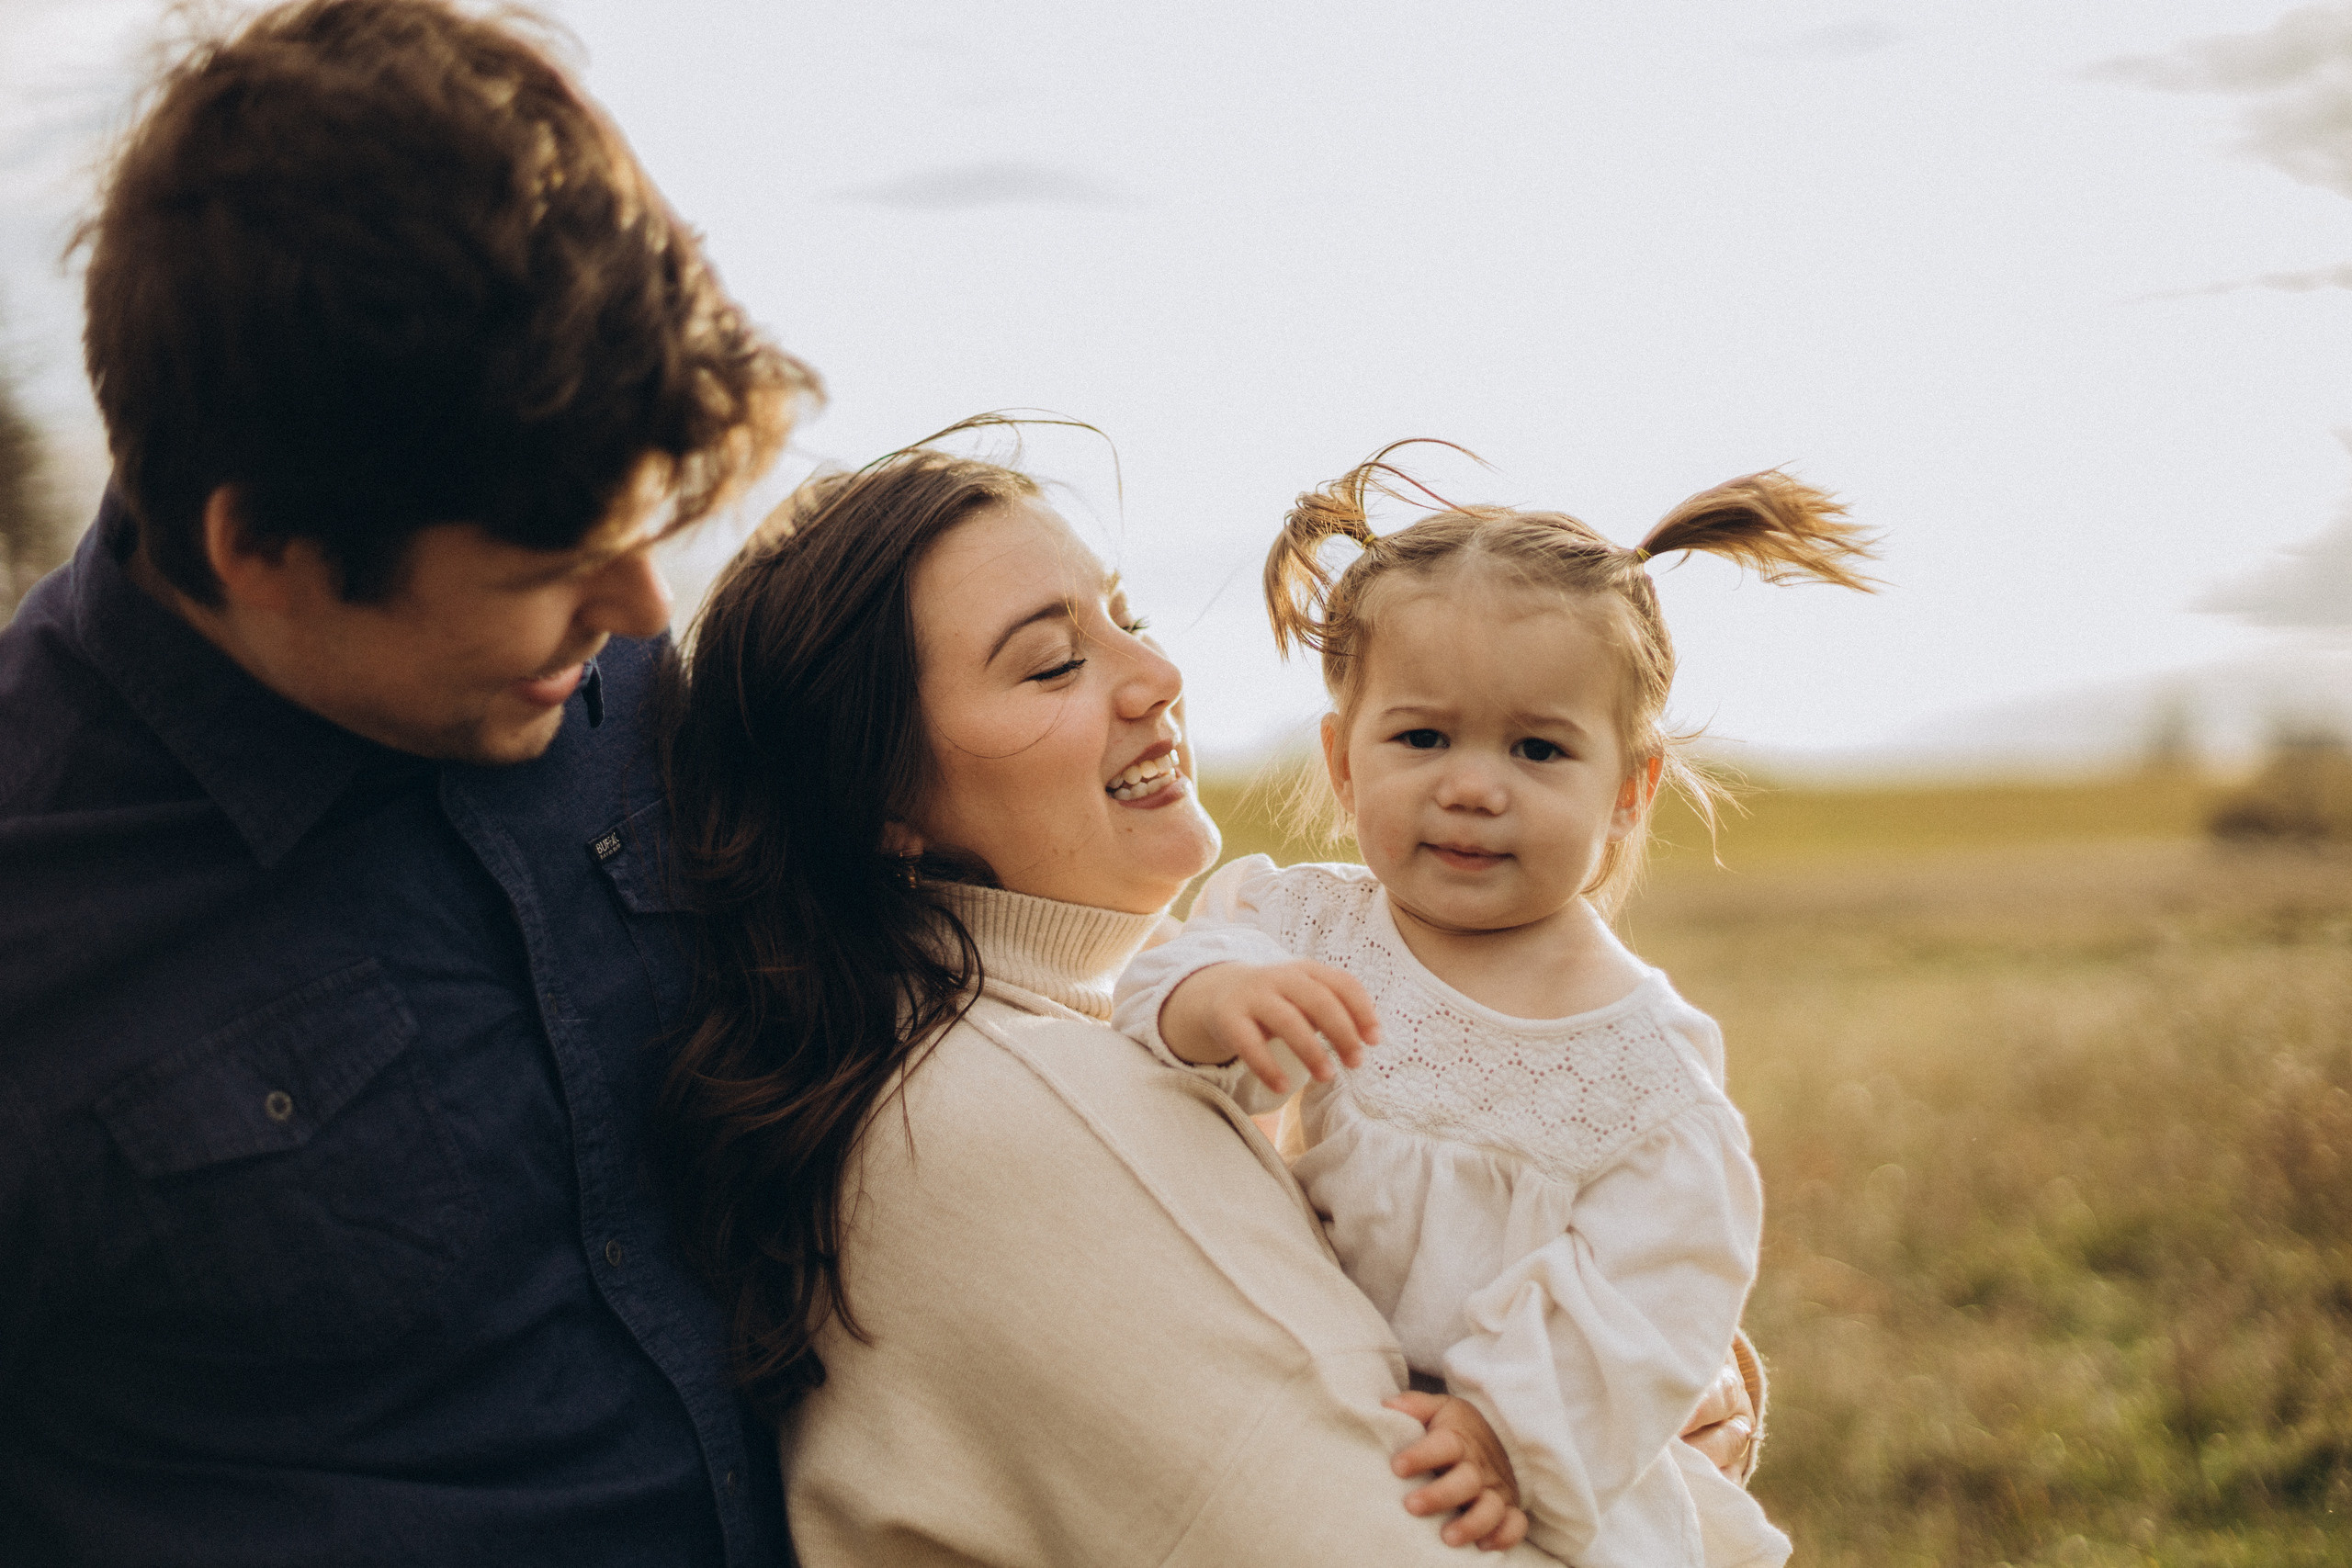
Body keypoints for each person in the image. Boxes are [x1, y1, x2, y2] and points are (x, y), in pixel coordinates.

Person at [0, 3, 814, 1561]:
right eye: (554, 567)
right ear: (264, 550)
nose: (643, 608)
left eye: (648, 529)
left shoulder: (626, 683)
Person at [657, 437, 1764, 1566]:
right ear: (879, 800)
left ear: (1627, 789)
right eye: (1052, 664)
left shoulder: (1055, 1027)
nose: (1157, 674)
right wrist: (1652, 1470)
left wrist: (1623, 1405)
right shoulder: (1018, 1115)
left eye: (1127, 617)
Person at [1112, 447, 1876, 1566]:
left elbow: (1655, 1294)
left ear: (1628, 790)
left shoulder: (1640, 1062)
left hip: (1521, 1484)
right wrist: (1211, 999)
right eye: (1421, 737)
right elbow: (1156, 1006)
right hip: (1307, 1418)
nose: (1472, 786)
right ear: (1343, 761)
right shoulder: (1303, 926)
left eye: (1537, 748)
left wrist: (1508, 1429)